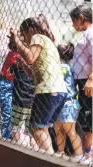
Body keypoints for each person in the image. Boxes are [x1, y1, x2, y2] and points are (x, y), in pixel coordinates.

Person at [9, 15, 67, 155]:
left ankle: (51, 159)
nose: (27, 40)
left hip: (47, 90)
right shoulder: (48, 43)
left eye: (24, 35)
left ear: (30, 30)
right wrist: (22, 63)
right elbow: (31, 72)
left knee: (35, 128)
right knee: (43, 128)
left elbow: (30, 57)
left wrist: (16, 40)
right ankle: (49, 157)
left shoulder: (37, 37)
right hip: (59, 91)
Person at [54, 43, 89, 164]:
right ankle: (61, 152)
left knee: (70, 131)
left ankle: (79, 155)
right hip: (60, 102)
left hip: (67, 102)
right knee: (58, 129)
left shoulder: (62, 67)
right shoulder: (69, 66)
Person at [69, 4, 93, 165]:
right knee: (86, 118)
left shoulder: (90, 33)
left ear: (81, 18)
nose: (72, 24)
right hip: (82, 82)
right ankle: (88, 153)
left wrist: (91, 79)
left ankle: (89, 155)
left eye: (73, 20)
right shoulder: (86, 34)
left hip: (87, 82)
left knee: (89, 118)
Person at [0, 42, 20, 139]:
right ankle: (6, 138)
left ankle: (8, 138)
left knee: (10, 117)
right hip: (6, 89)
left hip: (7, 89)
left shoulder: (13, 54)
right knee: (8, 116)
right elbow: (8, 74)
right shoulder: (15, 55)